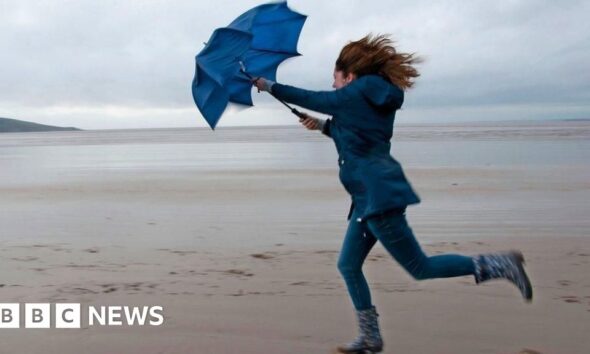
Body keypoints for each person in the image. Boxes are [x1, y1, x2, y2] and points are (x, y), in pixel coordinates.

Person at [253, 34, 532, 354]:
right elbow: (357, 136)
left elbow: (320, 99)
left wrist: (270, 86)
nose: (333, 85)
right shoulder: (369, 98)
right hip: (366, 200)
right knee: (348, 265)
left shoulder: (359, 91)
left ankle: (499, 264)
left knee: (420, 267)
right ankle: (370, 337)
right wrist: (321, 127)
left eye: (335, 78)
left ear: (350, 75)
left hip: (378, 198)